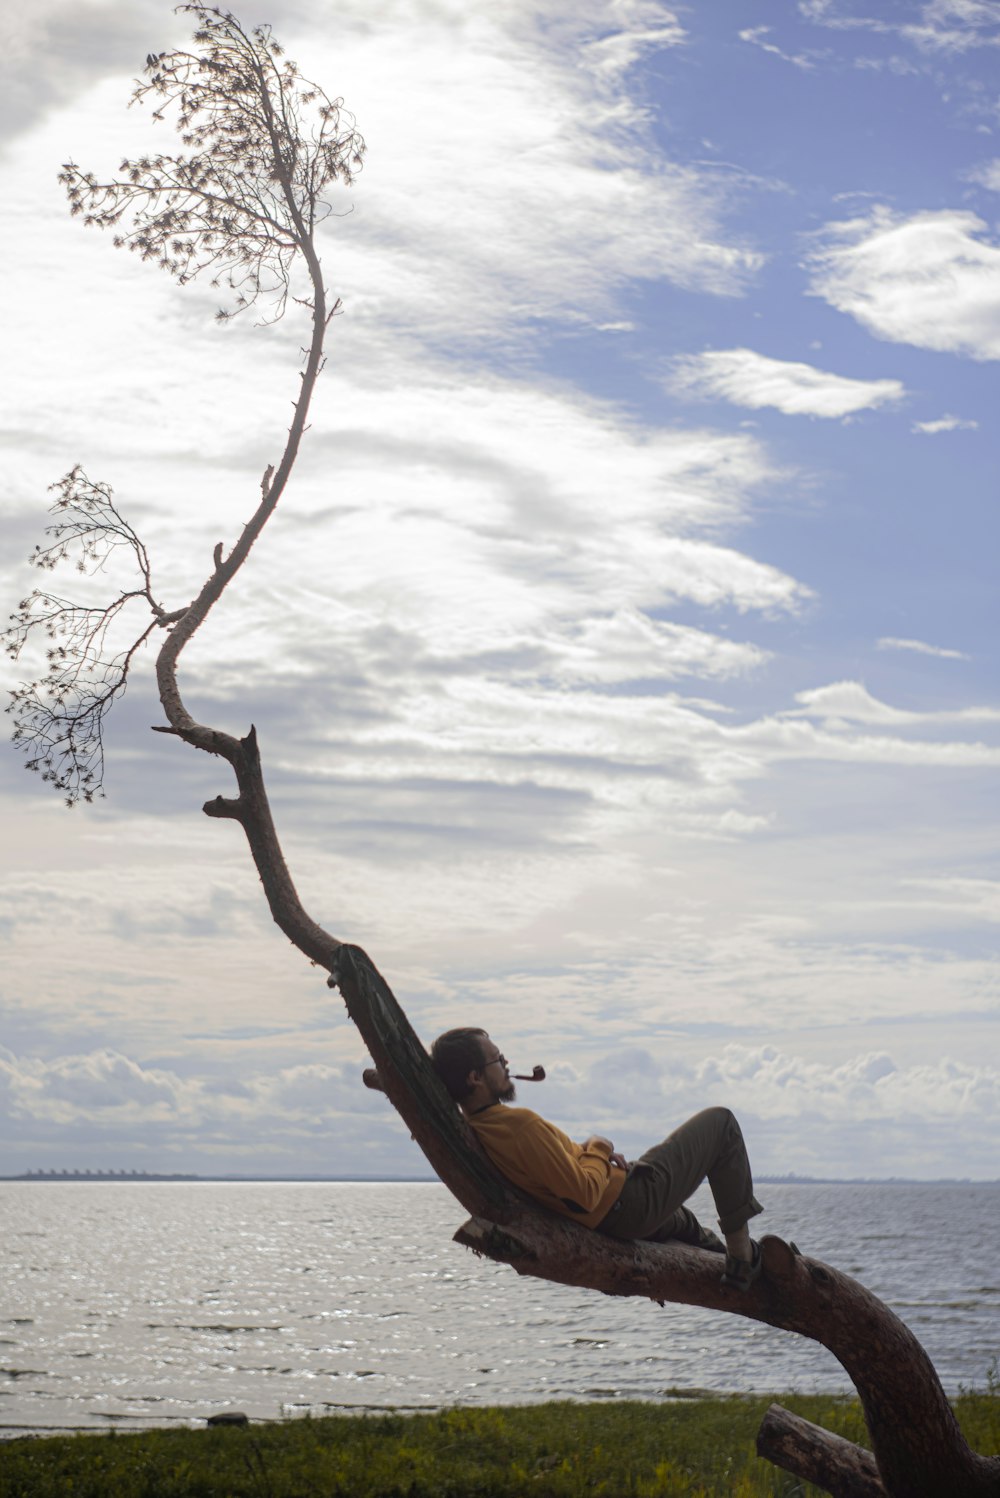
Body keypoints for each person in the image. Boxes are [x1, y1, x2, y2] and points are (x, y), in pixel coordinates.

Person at [430, 1027, 764, 1290]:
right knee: (721, 1123)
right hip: (624, 1206)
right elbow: (584, 1194)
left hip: (622, 1201)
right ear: (475, 1078)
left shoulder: (481, 1126)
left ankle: (751, 1264)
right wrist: (599, 1146)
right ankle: (742, 1258)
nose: (506, 1065)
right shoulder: (517, 1126)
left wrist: (597, 1158)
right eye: (497, 1060)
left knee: (686, 1224)